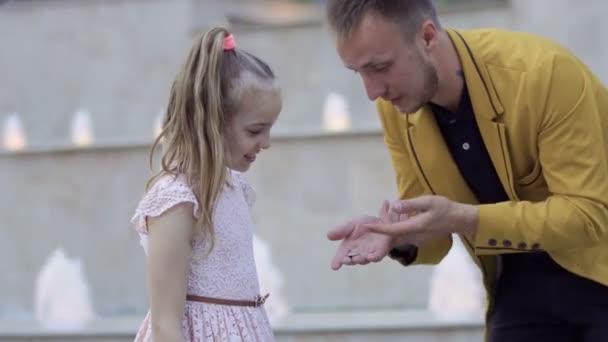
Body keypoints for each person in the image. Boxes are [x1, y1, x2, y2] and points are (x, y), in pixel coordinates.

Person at [324, 1, 608, 341]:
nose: (372, 92)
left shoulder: (543, 73)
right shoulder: (397, 109)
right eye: (359, 73)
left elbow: (588, 215)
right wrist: (400, 236)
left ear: (427, 36)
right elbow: (434, 227)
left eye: (381, 67)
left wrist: (467, 219)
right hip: (519, 288)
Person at [130, 27, 281, 341]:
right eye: (255, 130)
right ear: (212, 121)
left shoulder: (234, 188)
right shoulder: (176, 200)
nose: (266, 143)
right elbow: (165, 326)